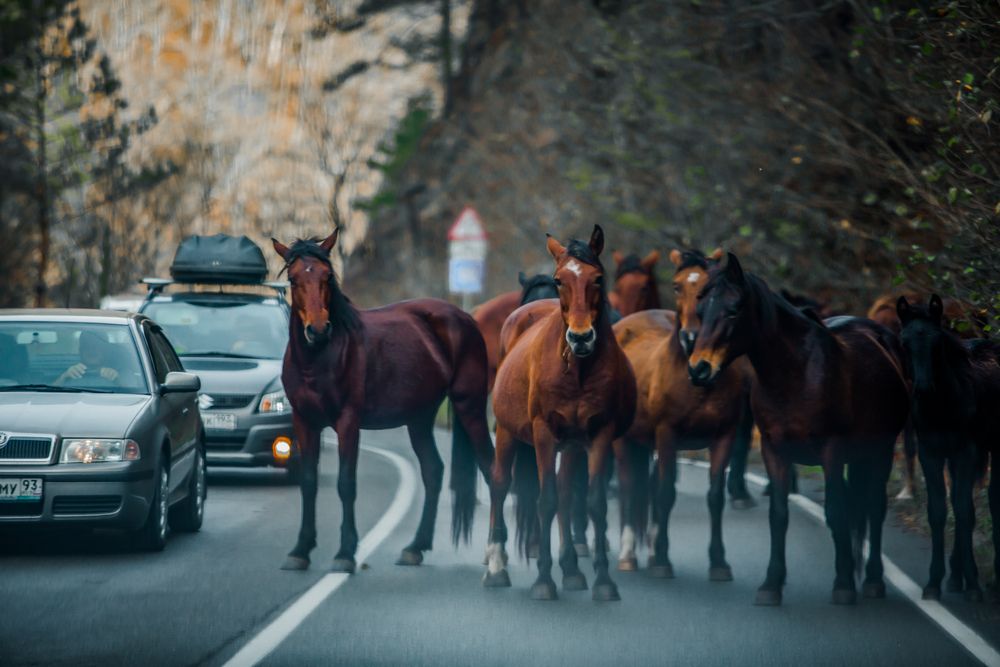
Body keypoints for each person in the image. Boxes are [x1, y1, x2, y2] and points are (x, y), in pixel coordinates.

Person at [55, 331, 121, 386]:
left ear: (105, 350)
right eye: (87, 346)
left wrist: (117, 379)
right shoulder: (67, 372)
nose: (92, 350)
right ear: (80, 350)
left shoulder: (121, 370)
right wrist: (64, 377)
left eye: (96, 346)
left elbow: (129, 393)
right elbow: (50, 394)